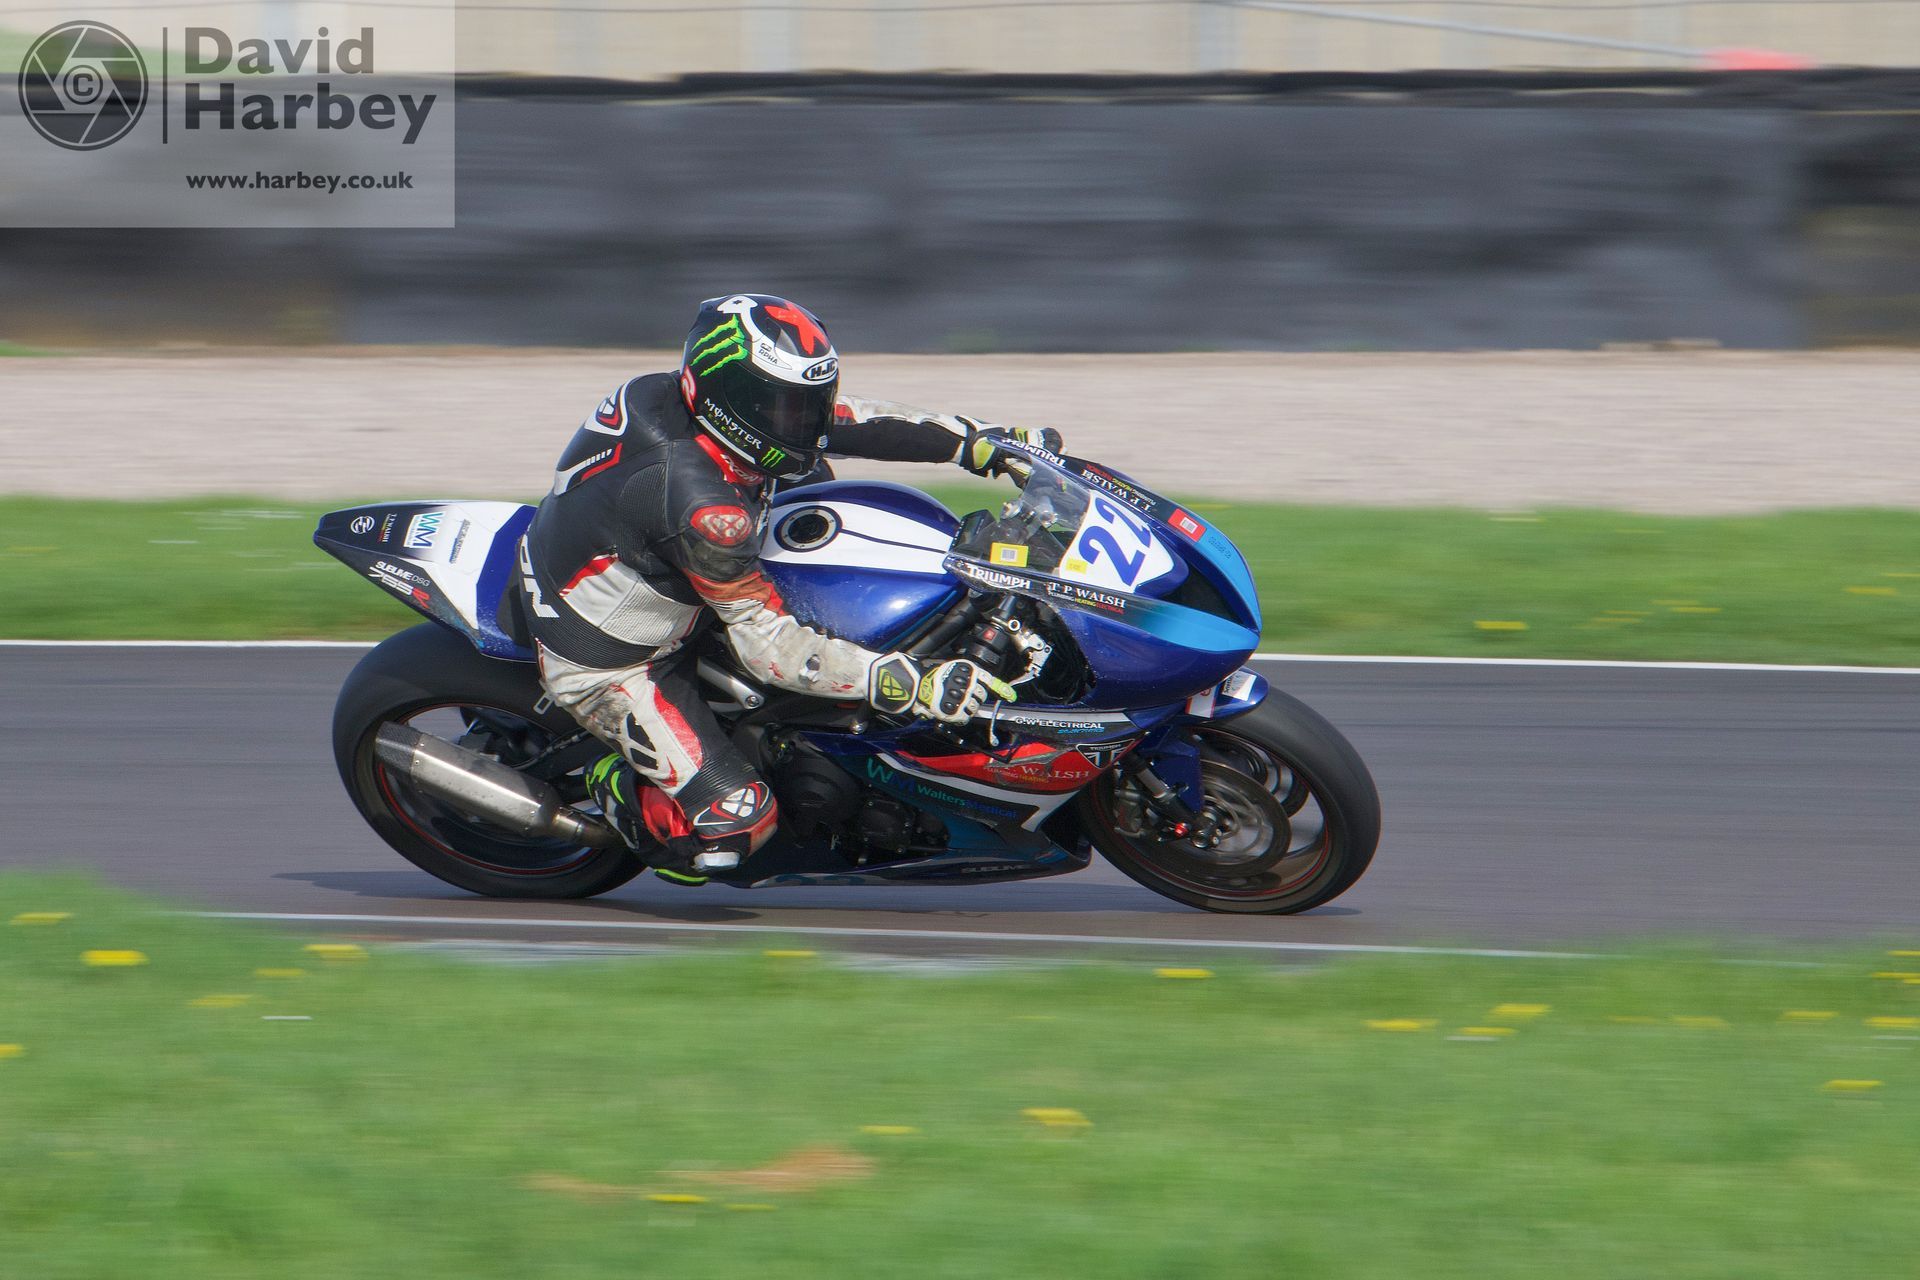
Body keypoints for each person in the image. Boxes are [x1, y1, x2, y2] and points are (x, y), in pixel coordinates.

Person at [519, 293, 1061, 883]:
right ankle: (621, 788)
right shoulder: (705, 508)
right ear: (729, 400)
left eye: (808, 402)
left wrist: (979, 442)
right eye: (784, 407)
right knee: (739, 825)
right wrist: (907, 681)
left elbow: (852, 420)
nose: (805, 421)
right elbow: (767, 645)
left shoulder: (681, 399)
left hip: (652, 559)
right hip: (617, 657)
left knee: (818, 488)